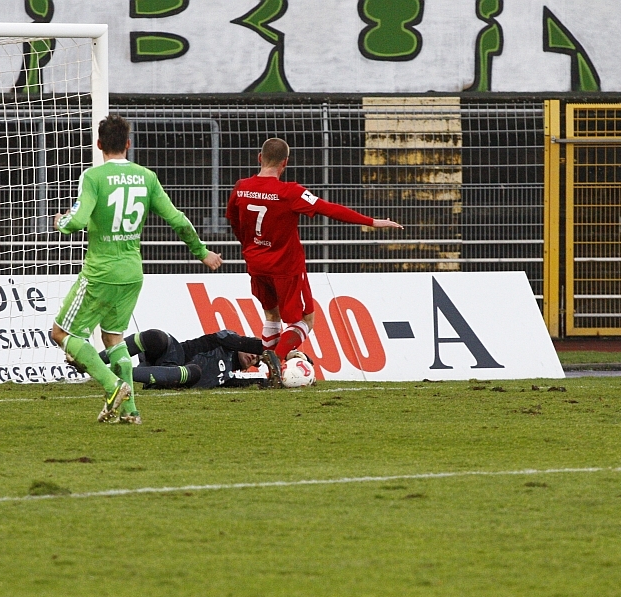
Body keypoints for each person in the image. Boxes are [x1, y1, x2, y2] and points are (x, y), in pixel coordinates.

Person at [50, 114, 222, 423]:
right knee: (113, 339)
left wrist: (61, 221)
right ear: (128, 144)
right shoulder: (146, 177)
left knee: (61, 332)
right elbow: (178, 219)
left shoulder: (94, 177)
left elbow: (76, 222)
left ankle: (112, 385)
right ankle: (130, 412)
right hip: (132, 273)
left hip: (101, 272)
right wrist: (202, 252)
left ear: (99, 144)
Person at [226, 137, 402, 385]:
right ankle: (275, 359)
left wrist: (249, 247)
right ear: (285, 163)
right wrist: (371, 221)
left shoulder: (241, 187)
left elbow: (233, 221)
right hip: (285, 267)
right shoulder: (290, 192)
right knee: (304, 320)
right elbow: (328, 208)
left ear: (259, 158)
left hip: (256, 263)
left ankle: (269, 372)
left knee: (271, 316)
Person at [98, 329, 267, 389]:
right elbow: (241, 342)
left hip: (175, 378)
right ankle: (96, 362)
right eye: (254, 352)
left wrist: (270, 381)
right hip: (174, 354)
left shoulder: (228, 379)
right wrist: (270, 348)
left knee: (195, 372)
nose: (254, 356)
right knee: (156, 336)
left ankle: (114, 372)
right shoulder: (228, 339)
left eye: (257, 360)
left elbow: (255, 383)